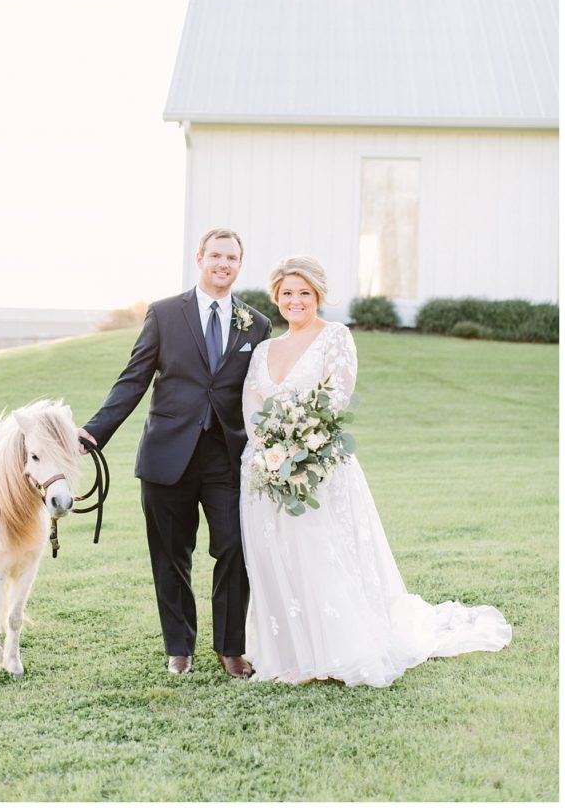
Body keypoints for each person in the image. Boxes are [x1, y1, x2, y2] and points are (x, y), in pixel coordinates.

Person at [240, 255, 512, 686]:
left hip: (319, 465)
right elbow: (252, 405)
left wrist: (298, 444)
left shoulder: (335, 336)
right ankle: (291, 653)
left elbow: (337, 398)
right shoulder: (264, 350)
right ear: (276, 296)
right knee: (280, 556)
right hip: (266, 471)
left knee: (323, 551)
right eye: (287, 293)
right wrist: (268, 450)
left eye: (304, 293)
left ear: (318, 296)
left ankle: (335, 651)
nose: (295, 301)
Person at [79, 228, 272, 677]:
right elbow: (134, 379)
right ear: (200, 258)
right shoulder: (165, 314)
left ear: (240, 265)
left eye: (233, 258)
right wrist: (94, 433)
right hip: (168, 458)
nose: (224, 264)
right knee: (170, 555)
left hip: (227, 458)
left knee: (234, 548)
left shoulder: (257, 324)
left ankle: (231, 649)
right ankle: (179, 647)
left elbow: (261, 392)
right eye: (217, 256)